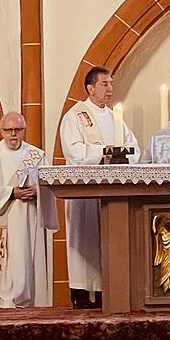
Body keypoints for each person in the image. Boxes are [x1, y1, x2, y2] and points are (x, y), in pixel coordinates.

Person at [60, 66, 139, 308]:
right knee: (85, 241)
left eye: (111, 84)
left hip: (112, 190)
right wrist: (104, 152)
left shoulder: (115, 117)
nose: (110, 89)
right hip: (85, 192)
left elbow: (132, 146)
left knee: (108, 240)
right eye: (105, 84)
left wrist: (120, 155)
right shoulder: (75, 116)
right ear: (90, 88)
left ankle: (108, 291)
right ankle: (82, 293)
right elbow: (74, 152)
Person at [0, 112, 58, 308]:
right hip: (5, 218)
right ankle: (7, 306)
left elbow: (49, 183)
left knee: (30, 263)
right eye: (8, 130)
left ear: (24, 131)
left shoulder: (36, 155)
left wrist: (38, 191)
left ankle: (33, 306)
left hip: (30, 218)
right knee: (8, 268)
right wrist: (12, 192)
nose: (13, 134)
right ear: (1, 131)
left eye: (18, 130)